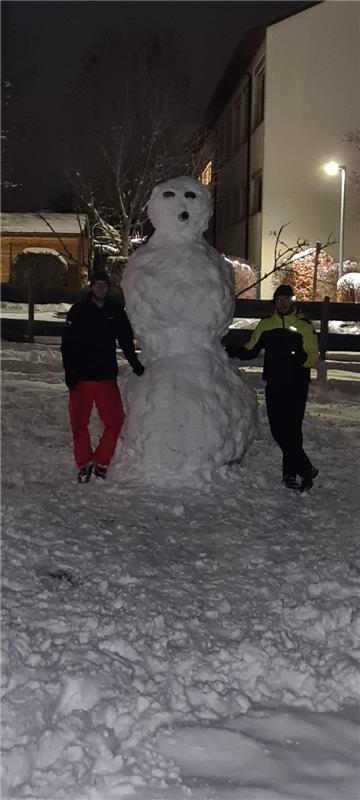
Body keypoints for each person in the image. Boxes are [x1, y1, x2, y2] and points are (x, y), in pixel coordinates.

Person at [61, 269, 144, 483]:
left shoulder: (115, 310)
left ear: (108, 288)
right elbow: (67, 345)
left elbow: (126, 340)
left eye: (104, 285)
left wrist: (135, 364)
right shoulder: (78, 310)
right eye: (96, 284)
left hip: (106, 376)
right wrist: (69, 372)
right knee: (79, 423)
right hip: (81, 377)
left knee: (115, 421)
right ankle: (84, 463)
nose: (100, 288)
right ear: (91, 287)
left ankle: (102, 460)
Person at [236, 284, 319, 492]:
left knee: (293, 429)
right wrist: (230, 350)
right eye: (279, 299)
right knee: (277, 428)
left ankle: (290, 473)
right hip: (274, 383)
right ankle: (306, 467)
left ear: (292, 302)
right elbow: (251, 349)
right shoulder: (266, 325)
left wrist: (302, 360)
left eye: (286, 299)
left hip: (297, 384)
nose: (283, 303)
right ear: (275, 302)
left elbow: (313, 354)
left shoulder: (303, 325)